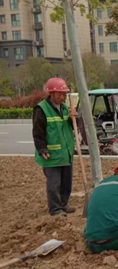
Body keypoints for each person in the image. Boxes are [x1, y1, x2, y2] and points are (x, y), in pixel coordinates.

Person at [32, 77, 78, 216]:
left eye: (64, 94)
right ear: (51, 93)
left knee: (66, 183)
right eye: (59, 94)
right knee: (54, 184)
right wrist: (42, 148)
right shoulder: (42, 109)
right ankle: (55, 209)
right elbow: (38, 131)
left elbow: (72, 127)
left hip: (66, 153)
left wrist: (74, 117)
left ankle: (64, 204)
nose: (62, 97)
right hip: (51, 155)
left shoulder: (66, 108)